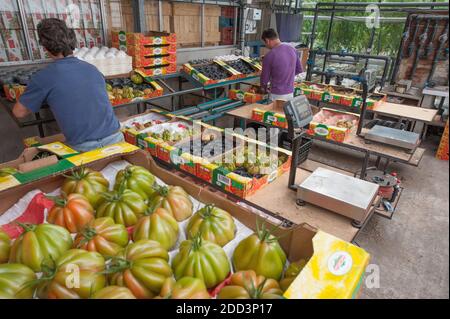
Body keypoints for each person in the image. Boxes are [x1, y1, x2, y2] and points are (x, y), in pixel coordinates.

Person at [13, 18, 123, 153]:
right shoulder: (92, 69)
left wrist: (38, 98)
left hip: (84, 148)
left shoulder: (44, 77)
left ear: (45, 48)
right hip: (117, 140)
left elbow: (18, 112)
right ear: (71, 41)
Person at [260, 29, 303, 101]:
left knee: (274, 112)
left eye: (265, 43)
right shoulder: (292, 49)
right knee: (285, 112)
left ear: (267, 40)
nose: (266, 46)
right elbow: (299, 69)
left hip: (276, 94)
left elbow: (264, 79)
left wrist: (263, 89)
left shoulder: (269, 55)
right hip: (290, 92)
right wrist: (287, 77)